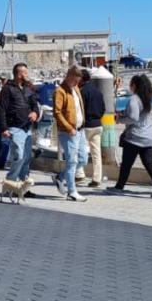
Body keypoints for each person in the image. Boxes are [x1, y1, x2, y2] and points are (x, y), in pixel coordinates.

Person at [111, 74, 152, 199]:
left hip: (135, 137)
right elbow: (138, 115)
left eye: (131, 84)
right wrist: (124, 114)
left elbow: (134, 118)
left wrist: (120, 120)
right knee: (150, 163)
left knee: (126, 164)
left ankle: (119, 187)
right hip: (149, 137)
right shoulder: (147, 98)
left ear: (134, 85)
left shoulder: (134, 99)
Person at [0, 63, 41, 189]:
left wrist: (35, 113)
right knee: (19, 156)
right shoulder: (7, 89)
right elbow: (1, 109)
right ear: (19, 74)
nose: (27, 75)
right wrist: (4, 128)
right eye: (25, 72)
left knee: (26, 159)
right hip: (14, 127)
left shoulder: (28, 89)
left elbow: (35, 105)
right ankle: (10, 184)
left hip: (27, 128)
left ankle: (23, 187)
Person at [51, 66, 89, 201]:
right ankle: (72, 192)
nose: (77, 83)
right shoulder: (60, 91)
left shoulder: (76, 88)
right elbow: (57, 112)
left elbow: (78, 109)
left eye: (78, 81)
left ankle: (60, 177)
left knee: (83, 159)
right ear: (69, 76)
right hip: (68, 132)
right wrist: (69, 128)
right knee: (72, 162)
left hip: (80, 130)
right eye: (75, 80)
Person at [78, 69, 108, 188]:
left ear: (81, 79)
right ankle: (97, 178)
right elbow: (103, 109)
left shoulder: (82, 92)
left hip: (86, 126)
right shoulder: (98, 91)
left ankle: (80, 175)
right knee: (96, 153)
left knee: (80, 151)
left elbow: (80, 110)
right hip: (98, 124)